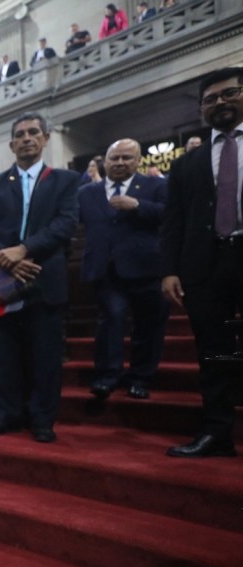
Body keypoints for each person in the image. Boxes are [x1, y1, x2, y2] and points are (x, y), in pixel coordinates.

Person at [0, 112, 79, 443]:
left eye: (34, 132)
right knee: (3, 357)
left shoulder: (65, 180)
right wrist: (8, 260)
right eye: (20, 134)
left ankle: (43, 420)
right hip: (3, 281)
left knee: (45, 357)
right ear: (11, 144)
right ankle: (7, 416)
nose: (27, 138)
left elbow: (65, 225)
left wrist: (24, 250)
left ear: (46, 138)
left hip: (45, 278)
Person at [160, 67, 243, 458]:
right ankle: (217, 433)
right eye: (210, 99)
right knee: (215, 352)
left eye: (229, 94)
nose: (220, 103)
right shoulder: (185, 164)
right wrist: (170, 269)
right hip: (207, 267)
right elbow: (173, 222)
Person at [79, 138, 168, 400]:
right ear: (104, 162)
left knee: (147, 326)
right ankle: (108, 376)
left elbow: (171, 215)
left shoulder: (156, 185)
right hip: (106, 270)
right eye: (114, 158)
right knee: (111, 321)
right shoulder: (87, 192)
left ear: (138, 161)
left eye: (126, 158)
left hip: (147, 268)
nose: (119, 163)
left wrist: (138, 206)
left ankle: (140, 378)